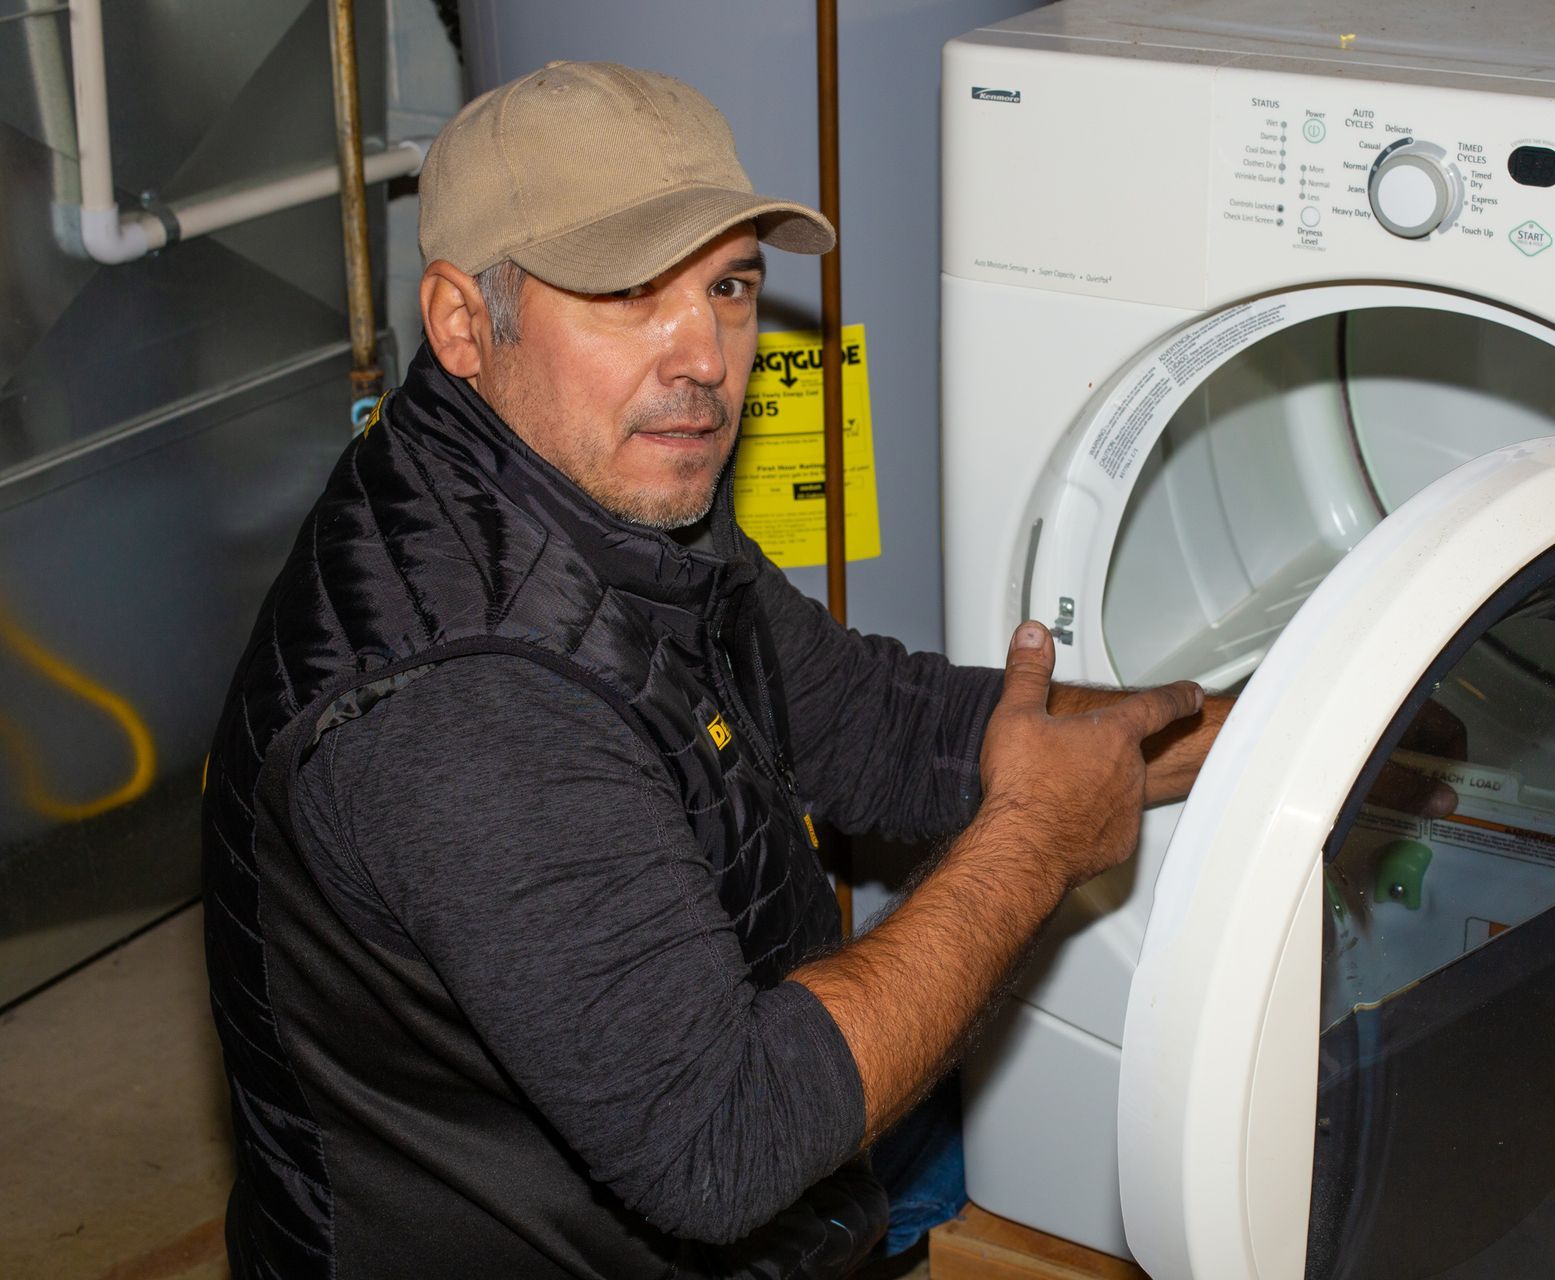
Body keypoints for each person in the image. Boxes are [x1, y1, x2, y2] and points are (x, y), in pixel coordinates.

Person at [201, 61, 1230, 1279]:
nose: (705, 359)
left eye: (730, 286)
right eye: (629, 293)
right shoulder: (464, 706)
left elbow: (880, 724)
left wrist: (1275, 731)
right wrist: (1034, 842)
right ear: (465, 322)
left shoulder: (595, 494)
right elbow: (722, 1143)